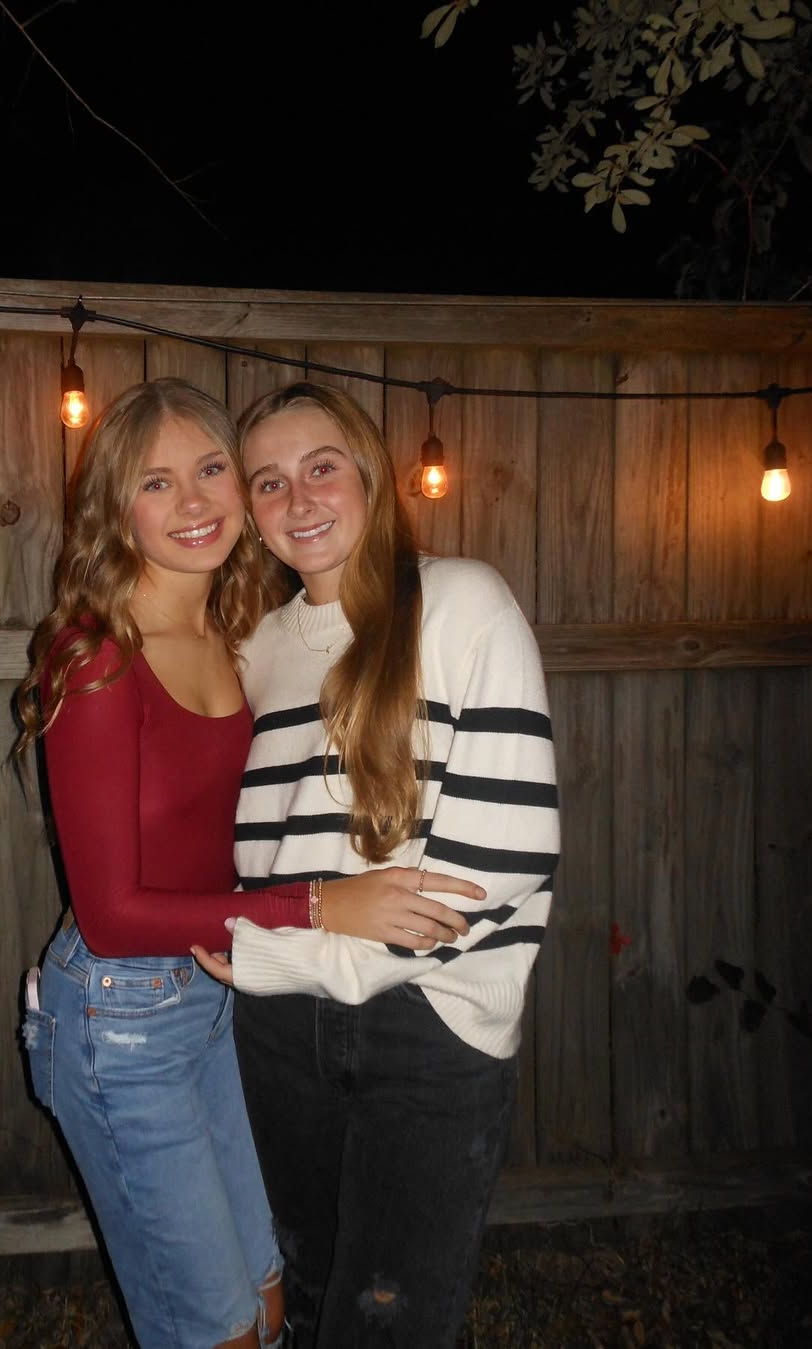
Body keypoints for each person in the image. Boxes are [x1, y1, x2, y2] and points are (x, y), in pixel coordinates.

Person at [14, 377, 480, 1349]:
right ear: (115, 507)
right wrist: (322, 905)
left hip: (217, 992)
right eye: (156, 482)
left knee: (269, 1297)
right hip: (118, 1014)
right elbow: (112, 914)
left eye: (211, 469)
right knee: (219, 1327)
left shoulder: (241, 636)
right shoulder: (97, 655)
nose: (193, 502)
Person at [192, 381, 561, 1348]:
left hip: (431, 1021)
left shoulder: (463, 603)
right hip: (280, 1030)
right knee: (312, 1296)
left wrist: (292, 949)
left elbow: (501, 859)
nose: (298, 499)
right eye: (269, 481)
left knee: (389, 1318)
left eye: (321, 468)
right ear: (252, 516)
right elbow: (244, 851)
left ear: (369, 475)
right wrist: (282, 943)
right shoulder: (256, 652)